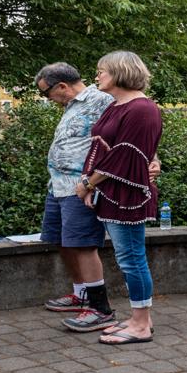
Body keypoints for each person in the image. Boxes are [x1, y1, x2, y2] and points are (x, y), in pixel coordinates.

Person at [73, 51, 163, 345]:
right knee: (128, 258)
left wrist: (88, 183)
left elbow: (125, 156)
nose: (97, 76)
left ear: (120, 72)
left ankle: (141, 324)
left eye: (102, 71)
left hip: (127, 195)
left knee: (132, 258)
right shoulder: (116, 106)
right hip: (112, 192)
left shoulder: (141, 108)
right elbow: (104, 148)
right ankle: (140, 319)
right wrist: (92, 185)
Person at [34, 62, 115, 329]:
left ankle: (100, 309)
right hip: (57, 186)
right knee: (61, 240)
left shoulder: (102, 100)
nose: (47, 99)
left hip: (81, 188)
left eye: (46, 93)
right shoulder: (71, 105)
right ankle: (81, 295)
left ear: (62, 86)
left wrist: (153, 159)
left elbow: (129, 134)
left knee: (83, 244)